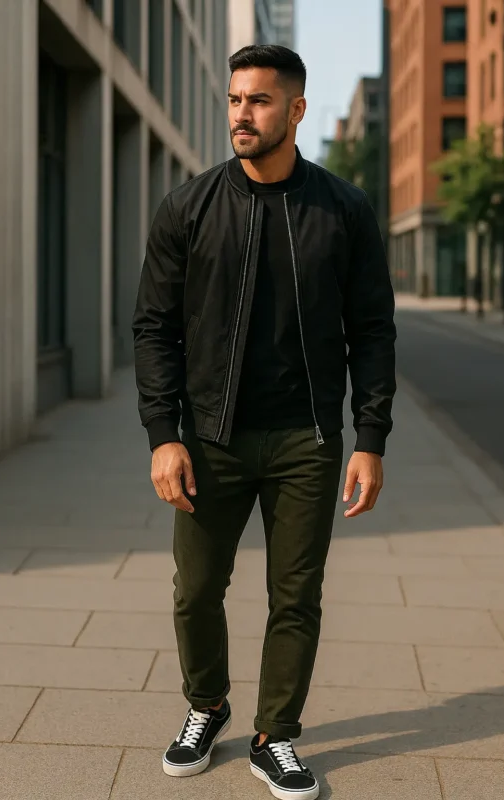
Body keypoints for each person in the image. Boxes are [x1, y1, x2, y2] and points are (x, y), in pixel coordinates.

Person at [132, 44, 396, 800]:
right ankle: (206, 704)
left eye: (259, 100)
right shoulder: (188, 208)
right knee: (195, 590)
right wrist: (164, 435)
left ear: (296, 110)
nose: (241, 114)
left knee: (296, 596)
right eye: (234, 99)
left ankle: (274, 735)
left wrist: (369, 438)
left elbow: (372, 330)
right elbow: (153, 328)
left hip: (305, 440)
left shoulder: (343, 210)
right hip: (209, 438)